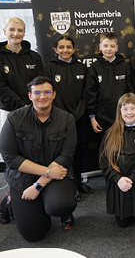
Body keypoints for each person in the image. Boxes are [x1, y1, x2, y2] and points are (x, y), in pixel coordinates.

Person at [0, 76, 77, 242]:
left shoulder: (66, 119)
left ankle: (51, 203)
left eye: (47, 92)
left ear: (54, 94)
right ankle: (9, 199)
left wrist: (39, 183)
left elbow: (67, 154)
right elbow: (10, 157)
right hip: (24, 177)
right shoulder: (14, 119)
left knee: (60, 205)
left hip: (56, 175)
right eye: (37, 92)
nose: (42, 96)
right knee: (33, 234)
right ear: (30, 96)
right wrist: (47, 172)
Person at [44, 35, 93, 200]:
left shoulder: (81, 67)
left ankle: (79, 183)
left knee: (79, 152)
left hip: (79, 118)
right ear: (55, 49)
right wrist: (64, 114)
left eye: (68, 47)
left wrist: (76, 113)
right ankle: (70, 187)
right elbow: (50, 93)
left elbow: (86, 93)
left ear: (73, 49)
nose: (65, 50)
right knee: (65, 154)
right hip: (59, 118)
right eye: (61, 47)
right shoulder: (49, 68)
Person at [99, 93, 135, 228]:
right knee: (122, 223)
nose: (129, 112)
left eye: (133, 108)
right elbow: (104, 159)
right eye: (125, 109)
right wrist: (118, 179)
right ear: (119, 111)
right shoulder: (111, 133)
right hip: (119, 183)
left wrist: (133, 177)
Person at [85, 32, 134, 136]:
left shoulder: (125, 66)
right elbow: (90, 93)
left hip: (123, 116)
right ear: (100, 47)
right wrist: (92, 117)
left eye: (112, 46)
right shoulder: (94, 68)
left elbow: (130, 91)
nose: (109, 49)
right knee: (105, 149)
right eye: (105, 46)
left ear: (116, 48)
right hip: (102, 118)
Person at [0, 17, 43, 123]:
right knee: (10, 139)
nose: (16, 33)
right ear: (4, 31)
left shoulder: (34, 56)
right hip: (8, 110)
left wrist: (33, 103)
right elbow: (1, 87)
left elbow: (40, 81)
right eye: (11, 29)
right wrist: (21, 104)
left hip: (33, 108)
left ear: (24, 33)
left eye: (20, 30)